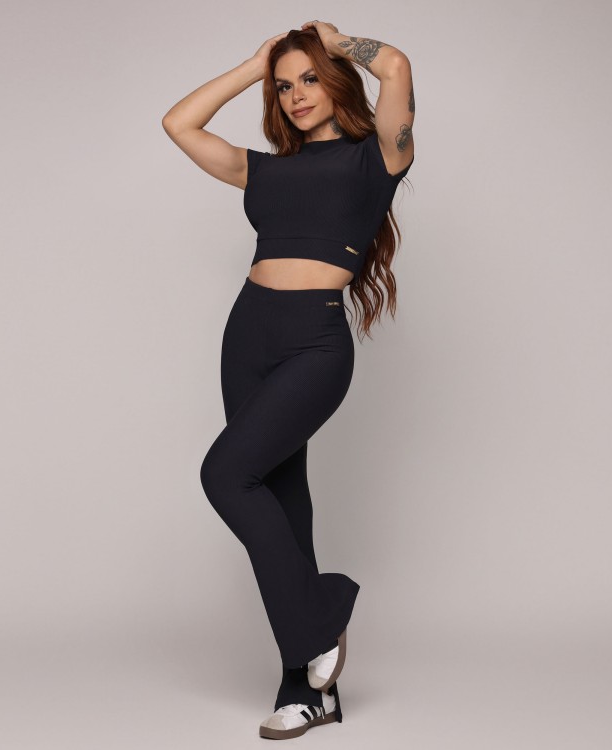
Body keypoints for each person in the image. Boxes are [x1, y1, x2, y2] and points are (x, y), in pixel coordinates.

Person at [161, 20, 415, 740]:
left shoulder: (377, 158)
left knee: (224, 475)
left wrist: (334, 43)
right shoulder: (265, 169)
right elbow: (178, 123)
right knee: (281, 502)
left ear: (333, 81)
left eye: (309, 79)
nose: (296, 94)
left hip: (314, 342)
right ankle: (307, 692)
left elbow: (395, 65)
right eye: (283, 87)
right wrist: (255, 64)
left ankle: (323, 610)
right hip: (247, 337)